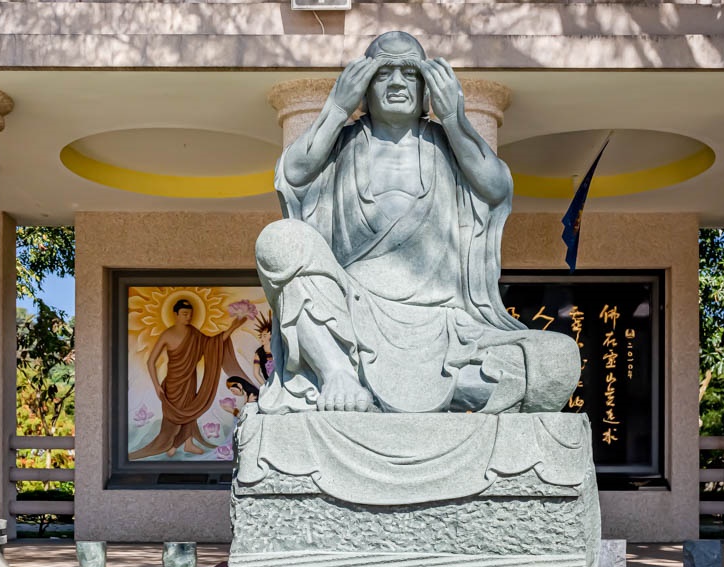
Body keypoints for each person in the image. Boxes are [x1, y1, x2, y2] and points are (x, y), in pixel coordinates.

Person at [255, 31, 579, 414]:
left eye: (409, 72)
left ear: (427, 88)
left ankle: (427, 387)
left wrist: (456, 118)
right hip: (349, 317)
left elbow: (494, 188)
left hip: (447, 329)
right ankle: (337, 373)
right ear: (362, 85)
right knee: (280, 240)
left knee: (556, 360)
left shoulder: (448, 145)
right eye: (382, 73)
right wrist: (337, 108)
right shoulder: (341, 145)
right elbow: (293, 174)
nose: (396, 83)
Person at [128, 299, 250, 460]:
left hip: (189, 380)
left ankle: (188, 443)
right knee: (173, 414)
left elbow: (213, 344)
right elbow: (151, 361)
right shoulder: (168, 334)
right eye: (185, 314)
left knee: (190, 410)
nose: (188, 317)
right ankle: (170, 443)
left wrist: (233, 327)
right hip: (173, 382)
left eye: (190, 314)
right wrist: (156, 385)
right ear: (175, 314)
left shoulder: (194, 333)